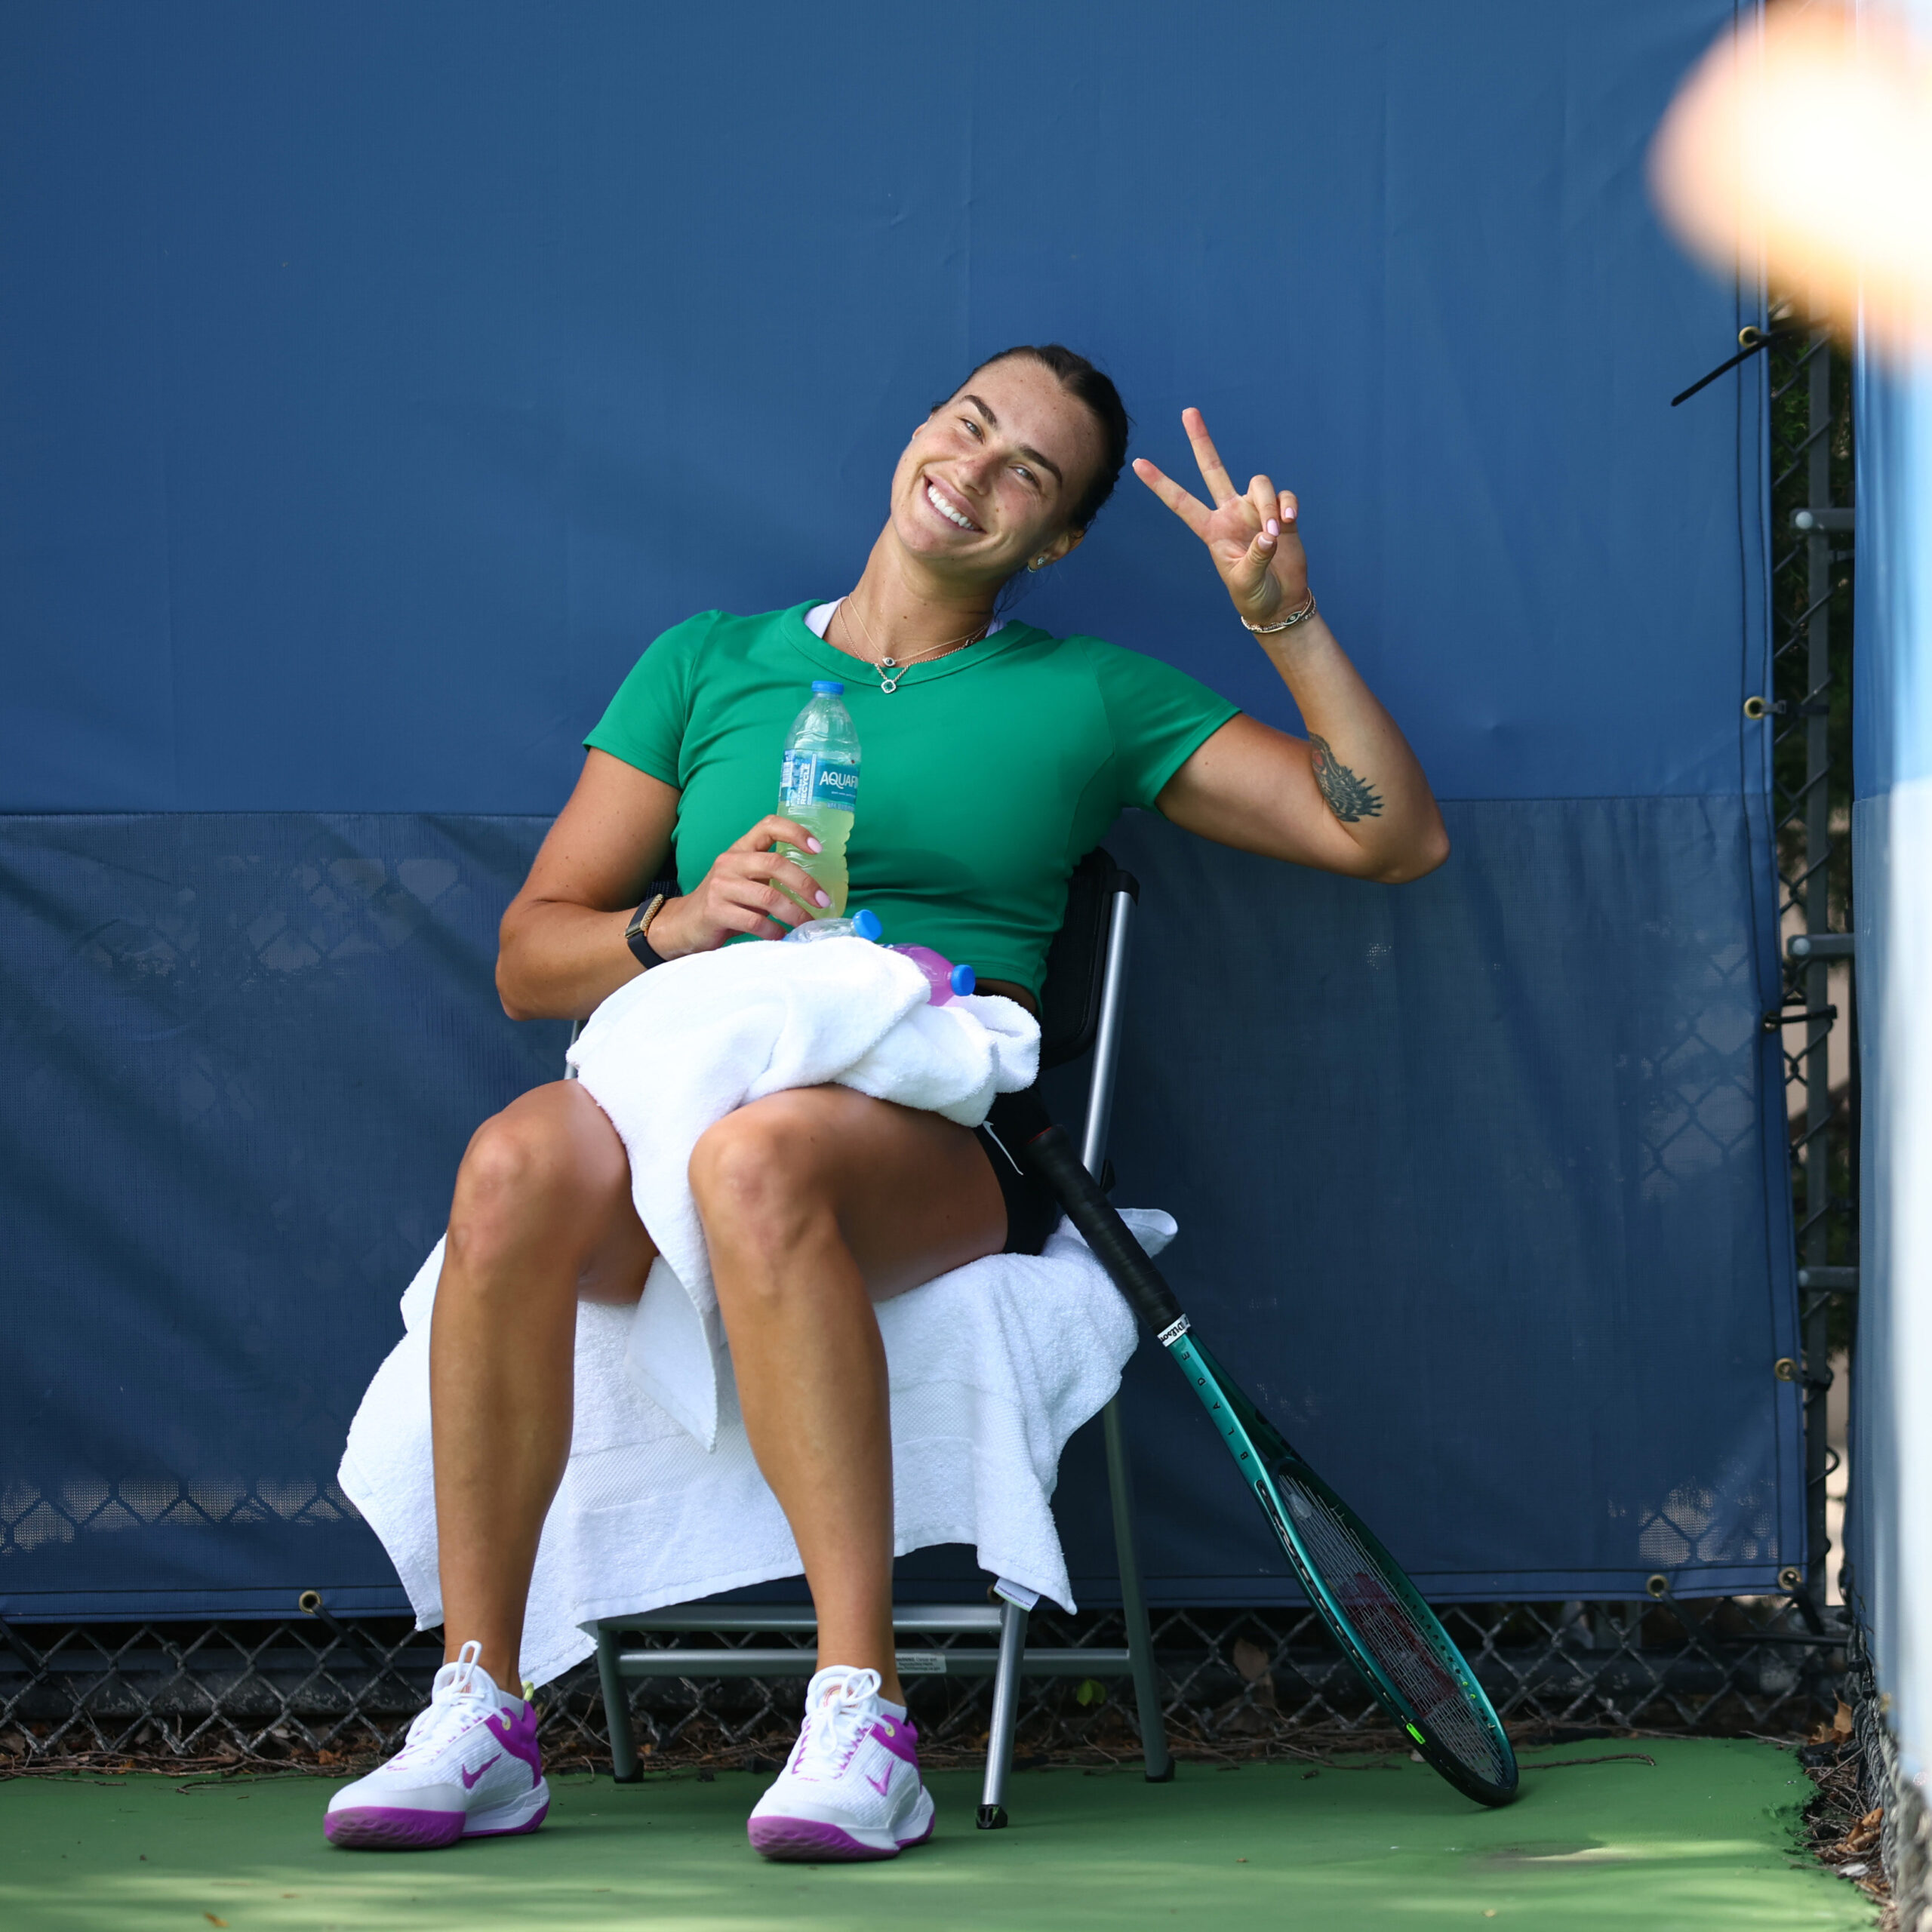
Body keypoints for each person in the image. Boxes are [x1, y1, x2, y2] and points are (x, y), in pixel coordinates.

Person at [323, 344, 1449, 1859]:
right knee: (512, 1161)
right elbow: (535, 955)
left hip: (924, 1125)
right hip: (689, 1064)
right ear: (919, 429)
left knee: (758, 1162)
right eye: (966, 425)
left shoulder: (1089, 695)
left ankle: (861, 1713)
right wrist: (677, 917)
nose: (972, 470)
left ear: (1049, 543)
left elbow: (1382, 836)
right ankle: (483, 1706)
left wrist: (1283, 623)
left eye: (1025, 474)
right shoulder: (707, 661)